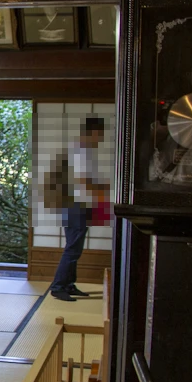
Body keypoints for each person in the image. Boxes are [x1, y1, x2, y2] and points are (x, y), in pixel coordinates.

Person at [50, 116, 109, 302]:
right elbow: (82, 181)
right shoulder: (81, 152)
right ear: (91, 133)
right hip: (76, 204)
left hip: (78, 203)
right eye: (100, 134)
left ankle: (68, 285)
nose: (101, 138)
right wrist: (103, 189)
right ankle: (58, 286)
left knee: (74, 248)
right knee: (73, 249)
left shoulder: (83, 151)